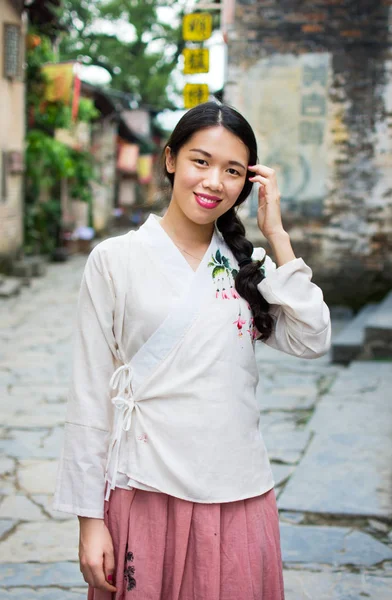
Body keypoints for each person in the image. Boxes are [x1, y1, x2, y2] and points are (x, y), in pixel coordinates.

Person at [53, 101, 331, 600]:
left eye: (232, 171)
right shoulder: (114, 261)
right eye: (201, 161)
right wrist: (89, 520)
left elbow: (312, 338)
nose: (214, 182)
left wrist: (277, 234)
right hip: (145, 489)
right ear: (170, 160)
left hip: (238, 493)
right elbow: (90, 392)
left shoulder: (250, 268)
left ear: (248, 183)